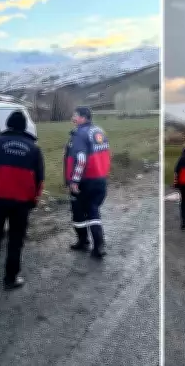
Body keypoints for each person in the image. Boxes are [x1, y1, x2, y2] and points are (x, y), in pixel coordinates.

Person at [0, 110, 44, 290]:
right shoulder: (34, 148)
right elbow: (39, 180)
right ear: (23, 127)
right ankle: (11, 278)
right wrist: (34, 200)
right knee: (16, 240)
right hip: (21, 203)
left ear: (7, 124)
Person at [64, 106, 111, 259]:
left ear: (83, 117)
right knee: (93, 210)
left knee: (78, 211)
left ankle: (84, 241)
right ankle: (99, 246)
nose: (72, 118)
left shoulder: (80, 133)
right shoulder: (99, 131)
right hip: (100, 179)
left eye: (75, 116)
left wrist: (74, 181)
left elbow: (81, 159)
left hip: (85, 180)